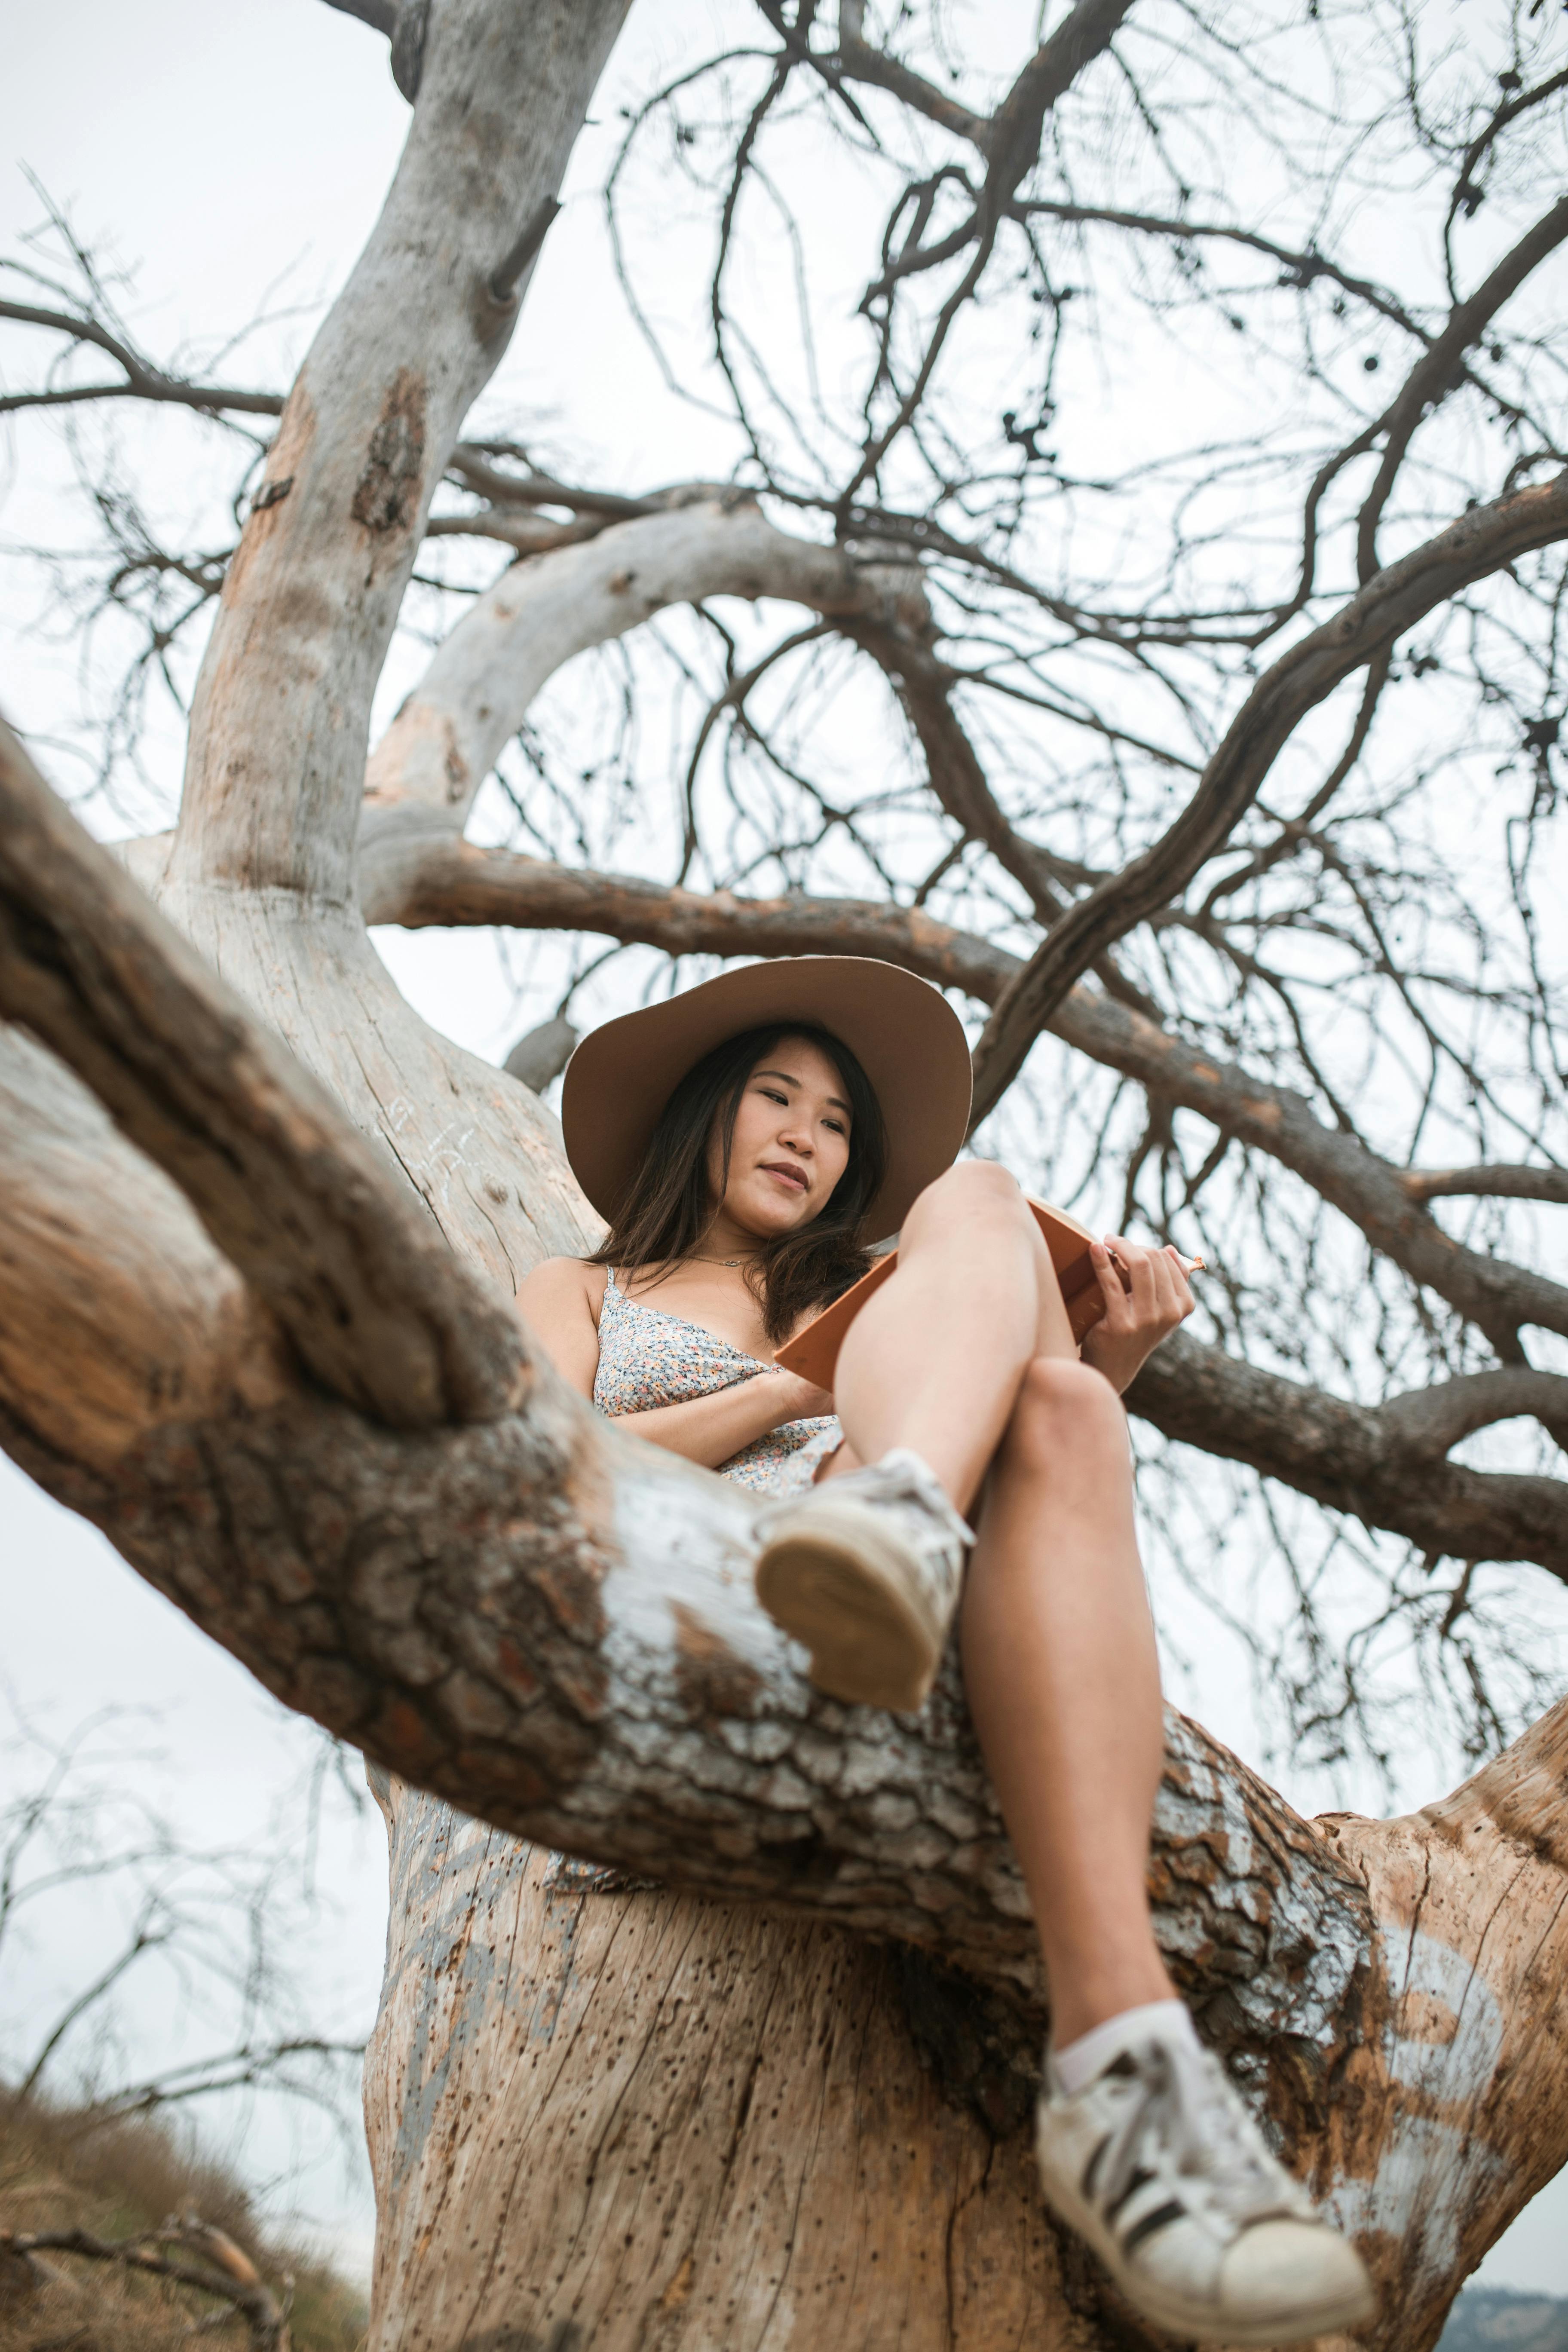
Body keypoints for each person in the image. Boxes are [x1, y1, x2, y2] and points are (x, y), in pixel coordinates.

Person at [520, 954, 1374, 2349]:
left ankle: (1121, 2059)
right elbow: (537, 1462)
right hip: (695, 1628)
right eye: (774, 1097)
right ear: (702, 1114)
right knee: (986, 1278)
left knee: (1041, 1344)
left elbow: (1042, 1489)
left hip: (889, 1636)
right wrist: (791, 1386)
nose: (808, 1133)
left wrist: (1117, 1362)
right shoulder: (587, 1288)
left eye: (839, 1122)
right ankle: (892, 1516)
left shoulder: (885, 1302)